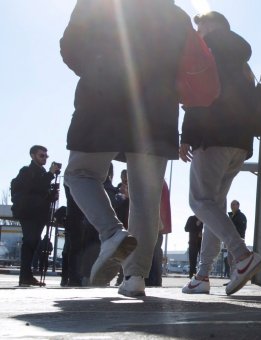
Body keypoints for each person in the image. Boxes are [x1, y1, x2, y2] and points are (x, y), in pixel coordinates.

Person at [60, 0, 192, 296]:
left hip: (104, 95)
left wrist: (96, 70)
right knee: (146, 199)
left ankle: (111, 233)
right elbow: (190, 64)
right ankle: (135, 279)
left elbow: (70, 45)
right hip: (159, 109)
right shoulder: (176, 14)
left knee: (81, 173)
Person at [180, 11, 261, 296]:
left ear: (213, 26)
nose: (198, 30)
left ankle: (242, 255)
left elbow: (196, 96)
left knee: (200, 201)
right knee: (213, 204)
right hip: (240, 143)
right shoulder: (243, 62)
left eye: (200, 24)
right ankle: (202, 275)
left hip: (212, 137)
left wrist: (186, 137)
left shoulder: (207, 52)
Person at [11, 145, 61, 286]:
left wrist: (51, 195)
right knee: (29, 241)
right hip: (28, 212)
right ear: (33, 155)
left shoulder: (42, 172)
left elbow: (41, 193)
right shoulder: (26, 171)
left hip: (39, 213)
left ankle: (27, 275)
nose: (45, 158)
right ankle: (24, 276)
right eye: (41, 155)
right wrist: (50, 174)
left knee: (34, 242)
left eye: (46, 156)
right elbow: (33, 187)